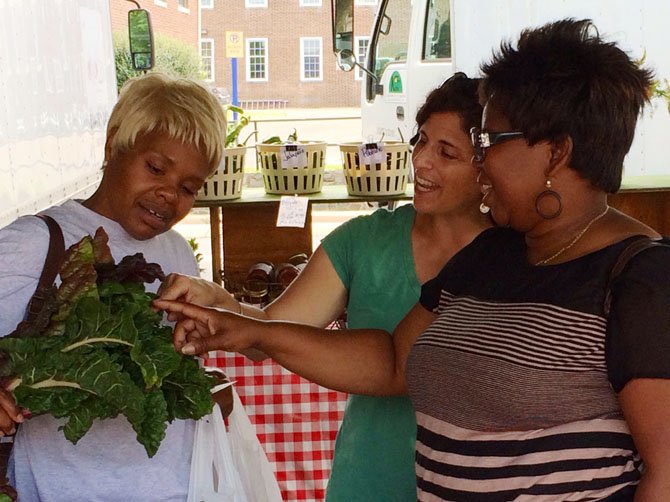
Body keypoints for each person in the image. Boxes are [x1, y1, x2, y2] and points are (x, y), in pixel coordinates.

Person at [156, 18, 670, 500]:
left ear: (556, 153)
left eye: (489, 141)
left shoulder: (641, 279)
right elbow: (392, 363)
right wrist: (248, 329)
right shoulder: (492, 256)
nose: (481, 158)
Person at [157, 73, 491, 501]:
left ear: (487, 167)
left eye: (447, 153)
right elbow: (269, 334)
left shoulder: (514, 255)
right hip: (368, 478)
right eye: (421, 141)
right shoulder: (362, 241)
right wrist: (218, 302)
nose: (423, 161)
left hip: (475, 486)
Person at [0, 72, 227, 501]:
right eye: (156, 168)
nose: (167, 195)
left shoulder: (179, 253)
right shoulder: (37, 242)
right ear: (113, 145)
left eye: (188, 188)